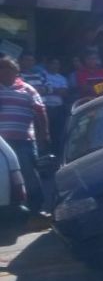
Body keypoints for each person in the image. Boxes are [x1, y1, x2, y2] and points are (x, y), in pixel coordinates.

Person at [0, 57, 50, 216]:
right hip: (2, 144)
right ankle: (13, 208)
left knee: (28, 174)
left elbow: (40, 113)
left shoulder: (28, 89)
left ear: (16, 72)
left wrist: (45, 134)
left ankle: (37, 207)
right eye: (2, 69)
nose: (5, 72)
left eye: (9, 69)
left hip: (23, 140)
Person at [42, 58, 69, 154]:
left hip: (58, 109)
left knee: (58, 133)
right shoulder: (42, 75)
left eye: (57, 64)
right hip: (45, 108)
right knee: (46, 133)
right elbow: (42, 90)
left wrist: (50, 90)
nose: (56, 66)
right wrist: (57, 90)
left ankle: (58, 153)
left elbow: (65, 92)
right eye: (53, 63)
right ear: (48, 65)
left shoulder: (62, 78)